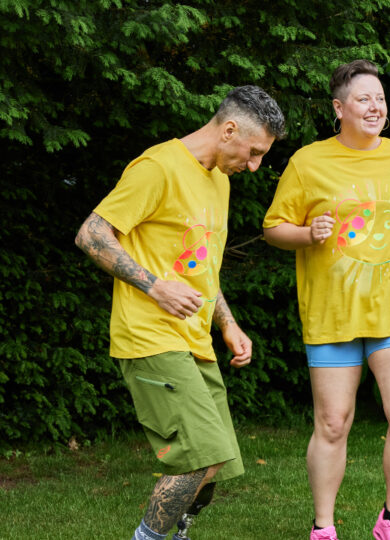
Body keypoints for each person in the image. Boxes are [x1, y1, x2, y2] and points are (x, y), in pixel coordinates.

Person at [75, 85, 286, 540]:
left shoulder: (219, 180)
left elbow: (202, 265)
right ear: (229, 129)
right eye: (253, 153)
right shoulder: (158, 167)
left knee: (217, 465)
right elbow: (92, 234)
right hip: (151, 336)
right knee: (201, 457)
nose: (253, 166)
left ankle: (176, 533)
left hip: (196, 342)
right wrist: (155, 287)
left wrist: (227, 323)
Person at [262, 59, 390, 540]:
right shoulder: (308, 162)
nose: (375, 107)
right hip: (332, 313)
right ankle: (324, 527)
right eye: (364, 99)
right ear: (339, 108)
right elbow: (273, 227)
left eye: (380, 99)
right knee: (333, 423)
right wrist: (305, 233)